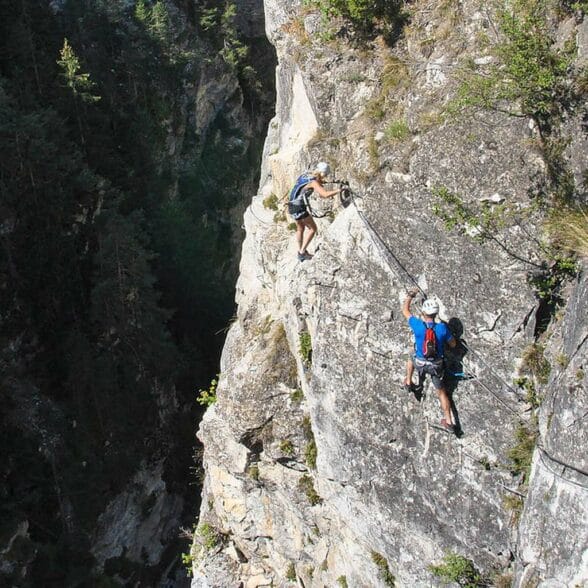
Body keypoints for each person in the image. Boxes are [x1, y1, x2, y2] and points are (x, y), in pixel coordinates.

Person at [402, 290, 457, 432]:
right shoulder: (442, 328)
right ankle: (449, 421)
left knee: (411, 355)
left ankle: (408, 381)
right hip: (435, 366)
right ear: (436, 313)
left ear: (424, 312)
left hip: (420, 362)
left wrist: (410, 296)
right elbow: (453, 345)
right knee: (442, 393)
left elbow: (405, 310)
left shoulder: (417, 325)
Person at [288, 162, 341, 262]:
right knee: (313, 229)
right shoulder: (314, 182)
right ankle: (302, 253)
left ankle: (301, 250)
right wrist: (338, 191)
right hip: (299, 207)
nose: (325, 177)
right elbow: (324, 194)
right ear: (322, 174)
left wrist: (319, 183)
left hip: (291, 206)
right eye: (325, 175)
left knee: (300, 228)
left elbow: (303, 186)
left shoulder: (305, 175)